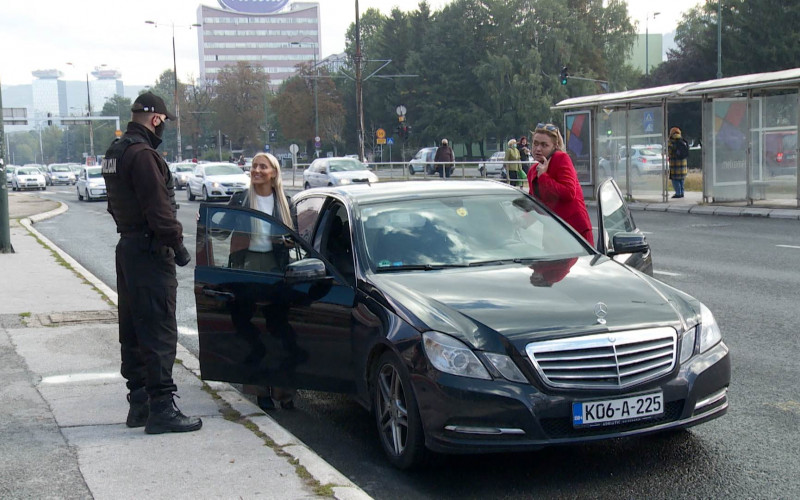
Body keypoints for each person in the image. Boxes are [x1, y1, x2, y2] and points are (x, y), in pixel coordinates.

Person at [101, 92, 202, 434]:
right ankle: (162, 409)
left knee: (132, 328)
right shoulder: (144, 156)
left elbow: (116, 205)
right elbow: (160, 212)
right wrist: (178, 247)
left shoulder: (115, 152)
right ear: (157, 119)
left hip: (127, 247)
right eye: (163, 122)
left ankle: (139, 404)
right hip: (150, 251)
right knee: (158, 329)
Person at [225, 153, 297, 410]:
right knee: (252, 332)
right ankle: (261, 392)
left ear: (273, 173)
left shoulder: (286, 202)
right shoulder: (241, 199)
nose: (256, 170)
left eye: (262, 167)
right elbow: (221, 232)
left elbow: (296, 238)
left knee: (279, 332)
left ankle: (284, 393)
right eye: (254, 166)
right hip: (247, 269)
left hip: (277, 270)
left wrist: (288, 241)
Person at [527, 122, 594, 246]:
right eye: (535, 143)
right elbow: (535, 205)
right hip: (552, 233)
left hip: (574, 231)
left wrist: (544, 176)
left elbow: (569, 193)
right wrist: (517, 223)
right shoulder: (533, 170)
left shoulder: (561, 158)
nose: (538, 149)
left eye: (544, 145)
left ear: (555, 146)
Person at [668, 127, 689, 199]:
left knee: (675, 179)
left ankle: (678, 193)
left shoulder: (671, 141)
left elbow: (669, 151)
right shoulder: (683, 140)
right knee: (681, 179)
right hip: (683, 164)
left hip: (675, 165)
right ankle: (682, 192)